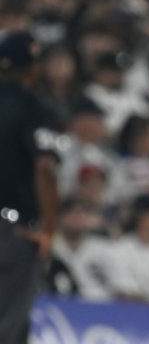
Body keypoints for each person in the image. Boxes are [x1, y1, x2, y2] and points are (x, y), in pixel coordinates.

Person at [0, 32, 59, 344]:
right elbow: (45, 168)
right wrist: (49, 229)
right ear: (32, 69)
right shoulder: (32, 107)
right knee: (8, 327)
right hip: (12, 231)